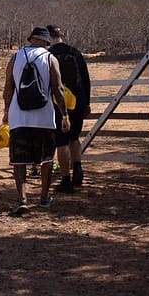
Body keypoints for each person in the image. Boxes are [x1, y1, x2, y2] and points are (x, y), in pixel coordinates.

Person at [2, 26, 70, 214]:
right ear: (46, 41)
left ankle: (22, 199)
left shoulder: (15, 57)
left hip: (18, 116)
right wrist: (64, 115)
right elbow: (58, 88)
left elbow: (8, 87)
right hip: (44, 117)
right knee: (47, 158)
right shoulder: (50, 58)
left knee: (19, 160)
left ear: (31, 39)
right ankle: (44, 197)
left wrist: (7, 111)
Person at [46, 25, 91, 194]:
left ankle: (66, 179)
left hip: (58, 103)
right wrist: (86, 103)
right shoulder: (75, 52)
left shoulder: (49, 55)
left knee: (61, 142)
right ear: (61, 35)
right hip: (78, 101)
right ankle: (78, 168)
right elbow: (86, 80)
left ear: (49, 37)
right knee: (74, 138)